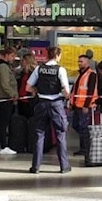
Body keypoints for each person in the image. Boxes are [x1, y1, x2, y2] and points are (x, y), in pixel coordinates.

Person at [26, 46, 72, 174]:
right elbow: (66, 91)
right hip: (56, 104)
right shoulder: (60, 70)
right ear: (58, 56)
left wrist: (36, 90)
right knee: (60, 135)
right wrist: (66, 96)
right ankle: (64, 166)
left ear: (47, 56)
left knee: (39, 135)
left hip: (41, 104)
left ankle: (35, 167)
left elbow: (28, 87)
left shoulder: (38, 69)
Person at [69, 55, 98, 156]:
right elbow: (75, 89)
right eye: (79, 61)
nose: (79, 63)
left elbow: (90, 91)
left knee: (83, 127)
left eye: (81, 61)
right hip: (77, 105)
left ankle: (85, 148)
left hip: (84, 106)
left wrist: (86, 105)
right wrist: (71, 103)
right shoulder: (79, 74)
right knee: (76, 125)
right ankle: (84, 146)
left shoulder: (91, 75)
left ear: (87, 62)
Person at [0, 48, 18, 155]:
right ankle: (3, 146)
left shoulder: (1, 66)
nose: (13, 59)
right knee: (3, 123)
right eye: (12, 56)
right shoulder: (3, 67)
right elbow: (5, 84)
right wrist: (13, 95)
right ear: (6, 55)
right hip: (4, 99)